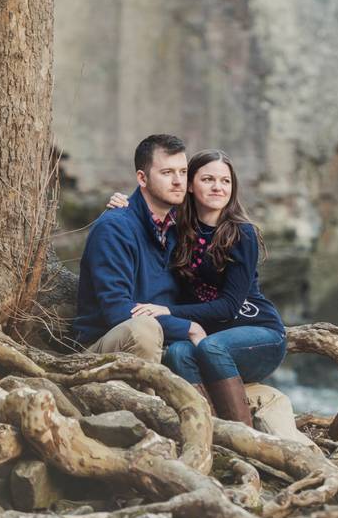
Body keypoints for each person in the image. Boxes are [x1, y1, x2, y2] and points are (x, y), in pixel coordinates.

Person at [108, 150, 286, 428]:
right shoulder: (179, 227)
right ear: (191, 185)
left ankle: (245, 435)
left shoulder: (242, 233)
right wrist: (123, 204)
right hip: (207, 340)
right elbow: (147, 208)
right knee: (178, 353)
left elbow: (228, 306)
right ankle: (210, 433)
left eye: (225, 181)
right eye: (208, 179)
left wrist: (168, 311)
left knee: (213, 348)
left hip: (259, 333)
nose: (218, 187)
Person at [73, 134, 206, 362]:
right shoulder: (114, 228)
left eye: (183, 172)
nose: (178, 181)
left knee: (272, 398)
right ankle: (150, 398)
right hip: (108, 347)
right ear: (142, 178)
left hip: (170, 346)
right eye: (167, 173)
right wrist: (189, 328)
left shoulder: (183, 226)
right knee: (144, 329)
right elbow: (117, 311)